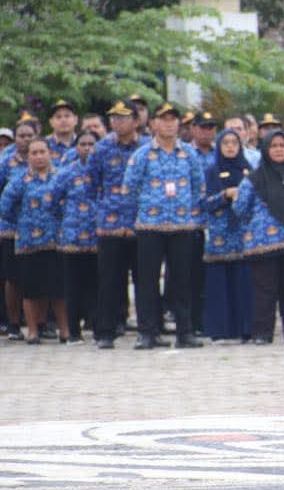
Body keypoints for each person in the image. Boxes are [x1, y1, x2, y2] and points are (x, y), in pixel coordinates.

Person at [123, 102, 205, 349]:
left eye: (173, 119)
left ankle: (185, 332)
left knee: (182, 281)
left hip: (181, 227)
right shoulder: (142, 154)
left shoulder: (189, 153)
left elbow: (198, 186)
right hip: (150, 226)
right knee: (147, 281)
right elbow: (130, 188)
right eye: (163, 119)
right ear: (153, 124)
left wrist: (187, 211)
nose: (169, 123)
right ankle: (148, 332)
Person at [234, 131, 284, 344]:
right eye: (273, 146)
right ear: (265, 150)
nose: (279, 149)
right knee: (264, 291)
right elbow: (240, 206)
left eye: (282, 145)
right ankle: (262, 334)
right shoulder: (254, 178)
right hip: (263, 243)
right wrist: (258, 224)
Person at [89, 101, 146, 349]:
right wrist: (101, 211)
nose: (117, 123)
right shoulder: (101, 148)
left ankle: (148, 330)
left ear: (135, 121)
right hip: (109, 223)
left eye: (123, 118)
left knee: (144, 279)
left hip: (141, 222)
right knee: (109, 279)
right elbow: (91, 183)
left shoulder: (146, 147)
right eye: (113, 118)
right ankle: (105, 332)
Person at [1, 138, 68, 343]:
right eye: (34, 153)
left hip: (56, 241)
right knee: (30, 288)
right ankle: (32, 331)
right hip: (28, 242)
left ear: (50, 153)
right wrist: (22, 223)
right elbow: (5, 206)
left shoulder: (61, 177)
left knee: (58, 288)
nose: (39, 156)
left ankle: (65, 330)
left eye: (42, 152)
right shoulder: (21, 180)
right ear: (28, 157)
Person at [201, 128, 253, 342]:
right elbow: (203, 203)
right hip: (219, 236)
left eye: (234, 142)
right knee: (219, 283)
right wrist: (225, 195)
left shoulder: (248, 170)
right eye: (226, 143)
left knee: (244, 282)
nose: (230, 147)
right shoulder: (211, 170)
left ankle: (245, 328)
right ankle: (220, 329)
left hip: (243, 235)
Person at [52, 129, 99, 343]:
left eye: (91, 144)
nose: (88, 148)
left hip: (98, 237)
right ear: (76, 148)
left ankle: (99, 327)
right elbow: (51, 200)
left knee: (97, 285)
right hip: (72, 238)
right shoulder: (67, 172)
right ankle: (73, 330)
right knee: (72, 285)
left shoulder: (104, 172)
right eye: (83, 144)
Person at [0, 121, 36, 335]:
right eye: (21, 135)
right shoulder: (6, 162)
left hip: (38, 229)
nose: (25, 139)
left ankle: (39, 322)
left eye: (29, 134)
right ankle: (13, 322)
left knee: (35, 275)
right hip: (10, 228)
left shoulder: (45, 159)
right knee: (12, 277)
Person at [45, 100, 78, 164]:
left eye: (67, 116)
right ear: (51, 122)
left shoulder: (84, 143)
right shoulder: (44, 144)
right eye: (58, 117)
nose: (63, 120)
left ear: (76, 120)